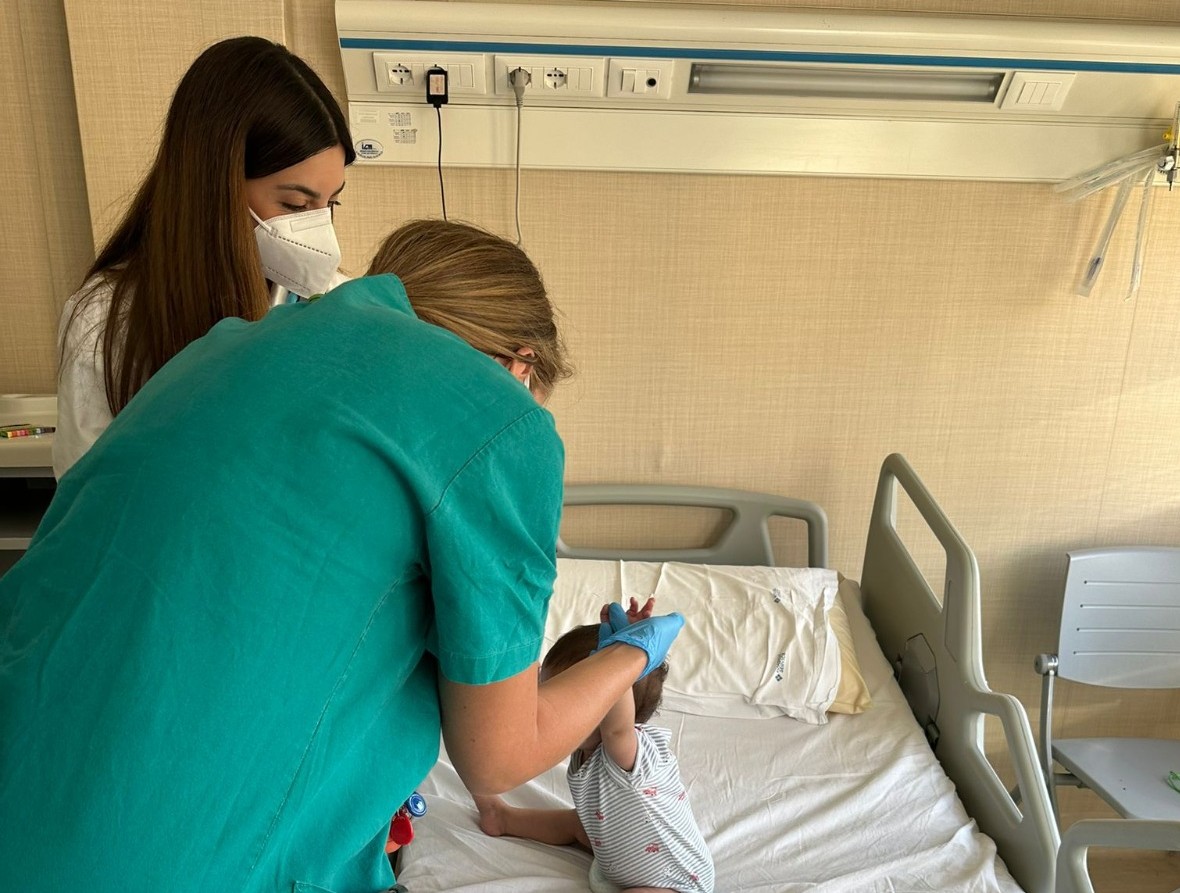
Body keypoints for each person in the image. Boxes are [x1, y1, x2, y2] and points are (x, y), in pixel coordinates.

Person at [0, 219, 685, 893]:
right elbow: (499, 756)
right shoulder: (500, 420)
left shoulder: (228, 346)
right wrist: (632, 655)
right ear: (520, 365)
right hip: (148, 855)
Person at [54, 35, 355, 479]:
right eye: (295, 205)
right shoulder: (106, 323)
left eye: (331, 203)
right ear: (215, 189)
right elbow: (87, 499)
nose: (320, 232)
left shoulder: (334, 300)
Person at [475, 598, 715, 893]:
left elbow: (616, 722)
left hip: (674, 881)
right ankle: (502, 818)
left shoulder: (627, 751)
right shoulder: (584, 750)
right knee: (577, 825)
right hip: (616, 844)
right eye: (545, 692)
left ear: (608, 707)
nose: (542, 707)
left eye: (562, 702)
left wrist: (622, 651)